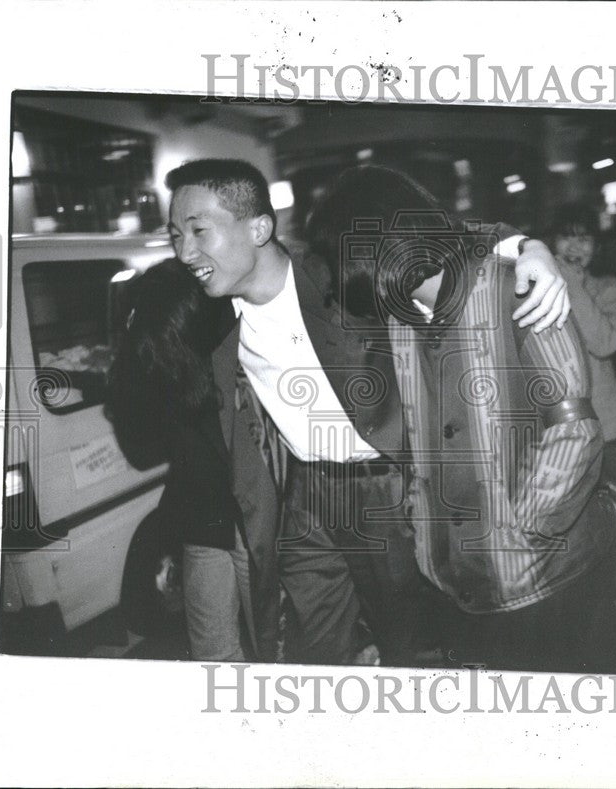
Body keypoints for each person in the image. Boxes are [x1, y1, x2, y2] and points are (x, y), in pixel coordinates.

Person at [163, 158, 573, 666]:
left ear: (260, 227)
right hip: (305, 499)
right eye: (175, 234)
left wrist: (527, 247)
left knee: (412, 646)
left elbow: (430, 234)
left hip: (385, 488)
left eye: (199, 230)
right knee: (320, 651)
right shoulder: (208, 321)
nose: (185, 251)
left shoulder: (337, 270)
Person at [307, 166, 615, 673]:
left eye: (341, 260)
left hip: (545, 582)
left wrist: (520, 535)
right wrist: (421, 521)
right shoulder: (401, 318)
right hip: (454, 585)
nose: (339, 282)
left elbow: (574, 428)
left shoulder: (511, 287)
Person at [106, 259, 279, 662]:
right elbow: (142, 447)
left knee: (272, 648)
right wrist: (130, 359)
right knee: (212, 653)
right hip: (203, 521)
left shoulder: (240, 360)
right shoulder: (164, 369)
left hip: (252, 525)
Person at [552, 205, 616, 483]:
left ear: (597, 246)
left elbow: (604, 343)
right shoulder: (533, 286)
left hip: (603, 427)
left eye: (584, 238)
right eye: (566, 236)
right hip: (550, 427)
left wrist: (571, 285)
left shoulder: (614, 289)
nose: (574, 246)